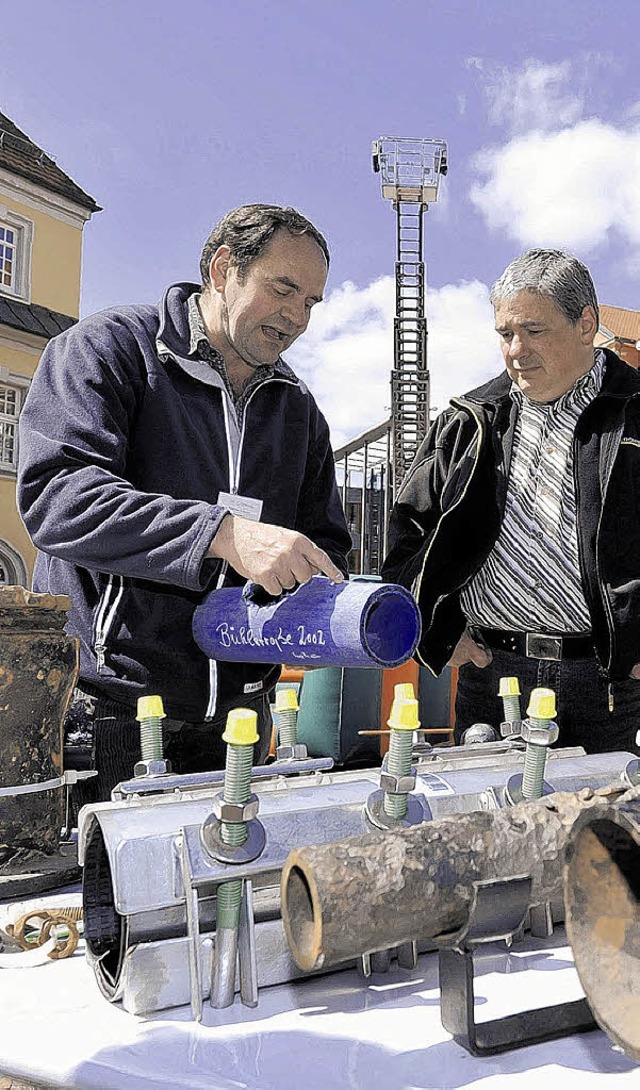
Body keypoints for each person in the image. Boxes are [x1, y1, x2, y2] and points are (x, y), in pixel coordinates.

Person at [18, 204, 351, 799]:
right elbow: (57, 497)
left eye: (311, 303)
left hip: (244, 720)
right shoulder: (109, 348)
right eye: (284, 290)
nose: (298, 317)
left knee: (233, 890)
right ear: (224, 269)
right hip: (113, 713)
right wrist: (220, 534)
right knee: (117, 891)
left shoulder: (298, 408)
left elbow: (323, 546)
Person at [382, 248, 640, 754]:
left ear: (586, 324)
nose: (517, 349)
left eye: (535, 331)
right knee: (490, 829)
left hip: (612, 686)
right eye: (506, 334)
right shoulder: (468, 420)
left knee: (605, 832)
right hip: (491, 674)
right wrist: (437, 630)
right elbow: (408, 535)